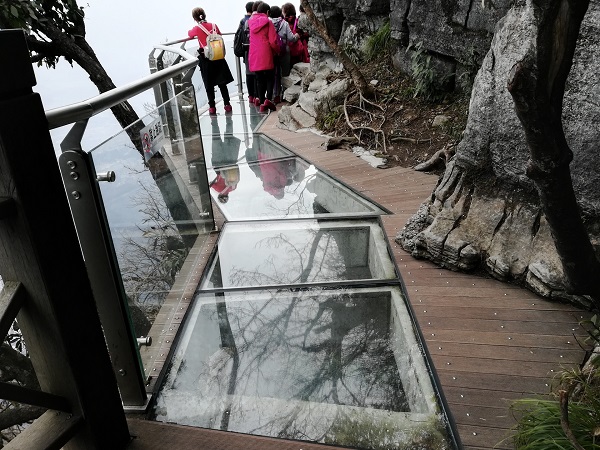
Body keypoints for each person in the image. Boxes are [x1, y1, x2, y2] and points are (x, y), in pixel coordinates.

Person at [188, 7, 234, 115]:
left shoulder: (197, 28)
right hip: (218, 56)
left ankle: (212, 107)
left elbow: (190, 34)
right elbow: (220, 35)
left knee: (209, 84)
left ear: (195, 18)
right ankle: (227, 104)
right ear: (204, 15)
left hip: (206, 59)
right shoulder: (214, 25)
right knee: (222, 83)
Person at [248, 1, 280, 113]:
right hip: (266, 52)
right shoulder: (268, 22)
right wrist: (277, 51)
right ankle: (268, 99)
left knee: (259, 79)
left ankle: (261, 103)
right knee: (270, 77)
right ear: (267, 12)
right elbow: (273, 40)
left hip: (254, 54)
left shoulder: (250, 22)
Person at [269, 5, 299, 103]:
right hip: (284, 50)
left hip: (272, 51)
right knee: (285, 73)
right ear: (280, 14)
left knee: (274, 74)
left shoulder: (268, 23)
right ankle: (286, 94)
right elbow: (291, 38)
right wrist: (297, 36)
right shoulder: (284, 23)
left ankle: (275, 95)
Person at [235, 2, 257, 105]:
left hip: (246, 51)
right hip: (256, 49)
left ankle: (250, 96)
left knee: (248, 73)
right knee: (257, 73)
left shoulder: (242, 21)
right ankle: (257, 95)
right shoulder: (254, 20)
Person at [282, 2, 309, 67]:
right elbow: (306, 33)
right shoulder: (298, 20)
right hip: (300, 49)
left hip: (288, 50)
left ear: (285, 12)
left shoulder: (283, 23)